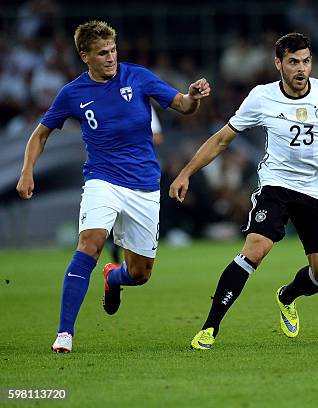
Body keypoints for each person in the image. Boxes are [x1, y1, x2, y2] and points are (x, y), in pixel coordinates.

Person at [15, 20, 210, 353]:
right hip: (101, 180)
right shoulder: (72, 93)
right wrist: (26, 170)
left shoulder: (138, 76)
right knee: (90, 242)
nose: (110, 57)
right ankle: (65, 334)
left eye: (113, 50)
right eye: (102, 53)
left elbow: (183, 105)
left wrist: (193, 97)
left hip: (145, 185)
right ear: (84, 56)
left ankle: (113, 277)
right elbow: (41, 133)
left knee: (140, 273)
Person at [169, 32, 318, 350]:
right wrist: (186, 173)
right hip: (276, 186)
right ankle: (209, 328)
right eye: (293, 62)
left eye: (306, 61)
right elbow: (223, 139)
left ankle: (287, 296)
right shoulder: (261, 98)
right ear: (278, 63)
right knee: (255, 249)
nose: (301, 68)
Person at [106, 106, 164, 264]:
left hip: (141, 173)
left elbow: (157, 137)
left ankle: (125, 262)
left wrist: (130, 137)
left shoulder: (142, 103)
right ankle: (115, 259)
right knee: (112, 217)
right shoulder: (104, 103)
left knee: (136, 225)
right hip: (111, 172)